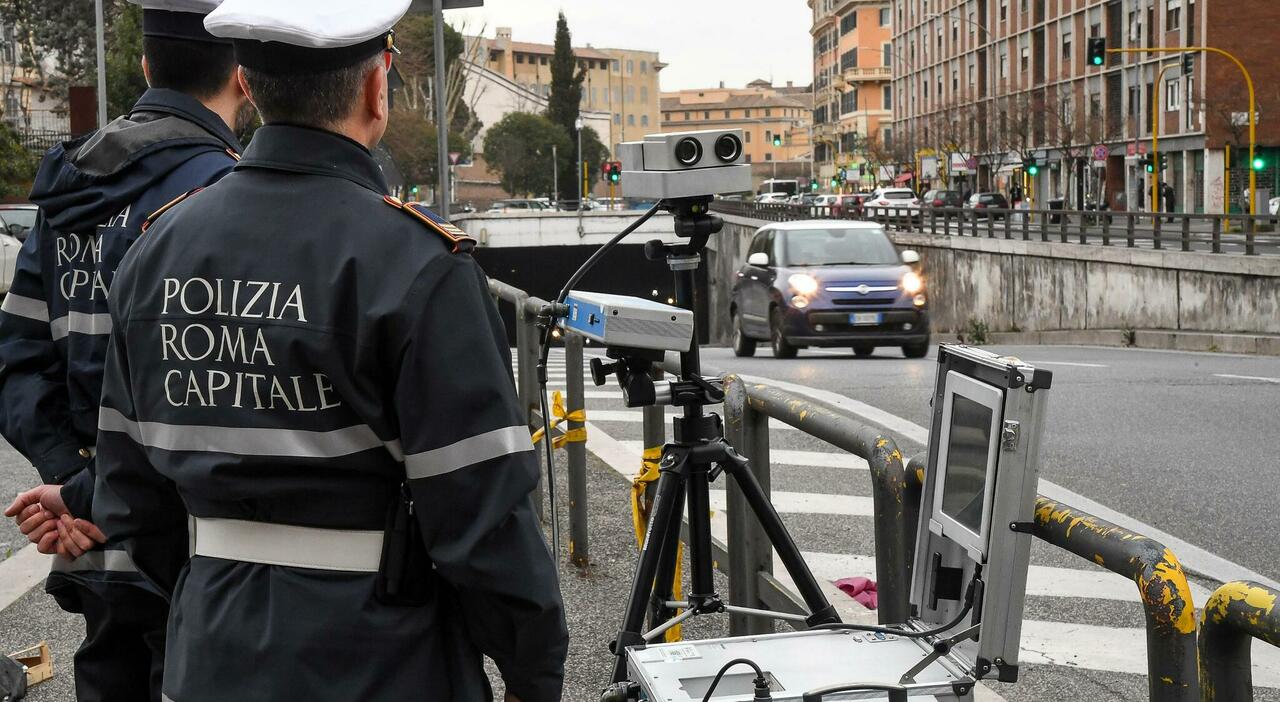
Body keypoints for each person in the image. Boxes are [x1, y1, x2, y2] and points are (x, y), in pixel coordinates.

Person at [91, 1, 568, 700]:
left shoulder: (155, 249)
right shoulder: (416, 263)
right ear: (378, 88)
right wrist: (534, 672)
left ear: (249, 88)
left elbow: (130, 501)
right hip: (382, 660)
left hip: (208, 655)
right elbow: (483, 522)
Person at [0, 2, 247, 700]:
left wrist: (70, 484)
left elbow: (18, 356)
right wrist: (92, 497)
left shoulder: (69, 190)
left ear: (144, 65)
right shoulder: (229, 193)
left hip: (94, 543)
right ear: (245, 78)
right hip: (193, 546)